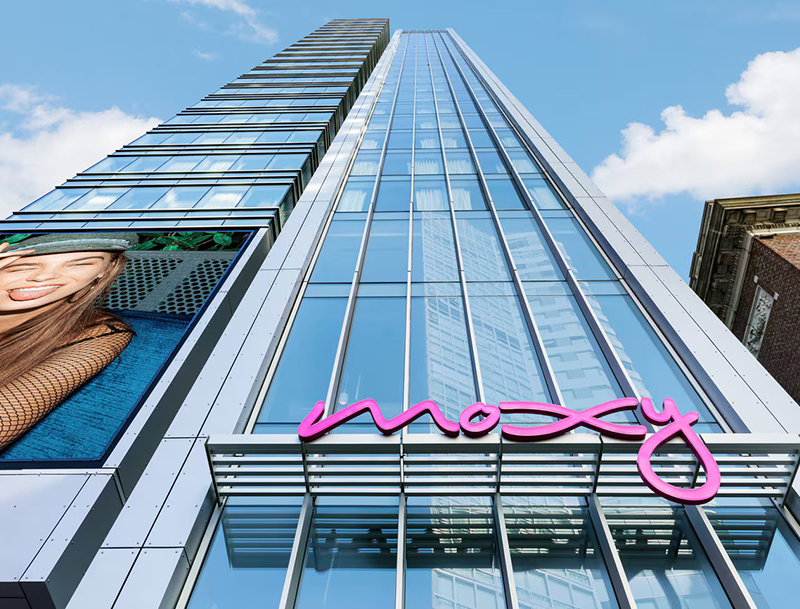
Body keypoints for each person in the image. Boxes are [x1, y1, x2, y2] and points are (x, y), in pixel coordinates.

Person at [0, 233, 138, 450]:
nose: (44, 277)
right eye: (22, 266)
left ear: (105, 270)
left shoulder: (97, 334)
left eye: (79, 264)